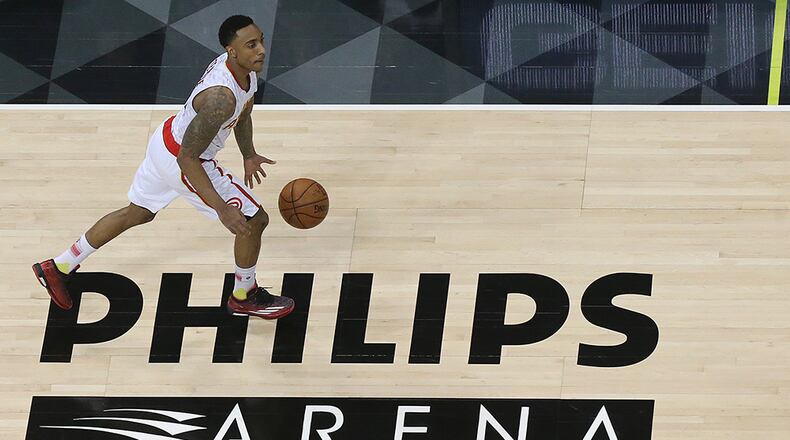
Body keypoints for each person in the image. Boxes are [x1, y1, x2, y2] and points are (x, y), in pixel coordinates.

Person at [32, 15, 294, 320]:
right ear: (231, 51)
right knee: (254, 220)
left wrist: (248, 154)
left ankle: (58, 266)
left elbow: (244, 111)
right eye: (251, 44)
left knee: (138, 212)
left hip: (166, 140)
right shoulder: (220, 99)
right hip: (184, 158)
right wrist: (222, 208)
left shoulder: (242, 69)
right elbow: (188, 159)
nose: (261, 49)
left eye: (261, 40)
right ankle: (244, 296)